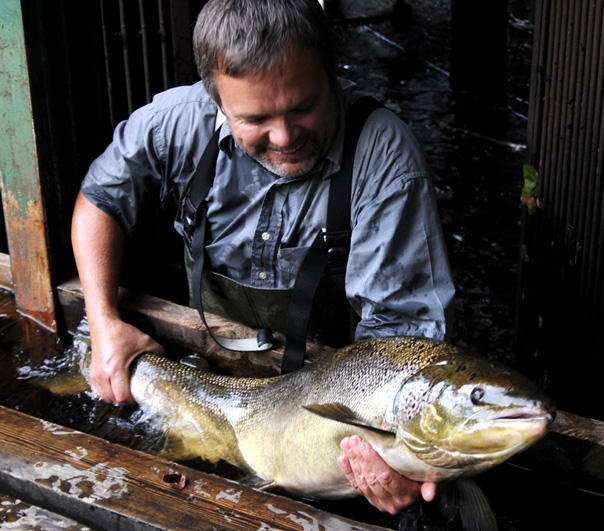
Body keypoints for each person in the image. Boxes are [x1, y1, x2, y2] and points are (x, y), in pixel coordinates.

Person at [71, 0, 453, 515]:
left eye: (303, 106)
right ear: (217, 101)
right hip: (203, 386)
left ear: (331, 71)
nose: (284, 136)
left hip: (327, 417)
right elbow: (100, 202)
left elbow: (401, 344)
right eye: (254, 118)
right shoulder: (180, 121)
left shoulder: (383, 155)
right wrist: (101, 322)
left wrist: (393, 453)